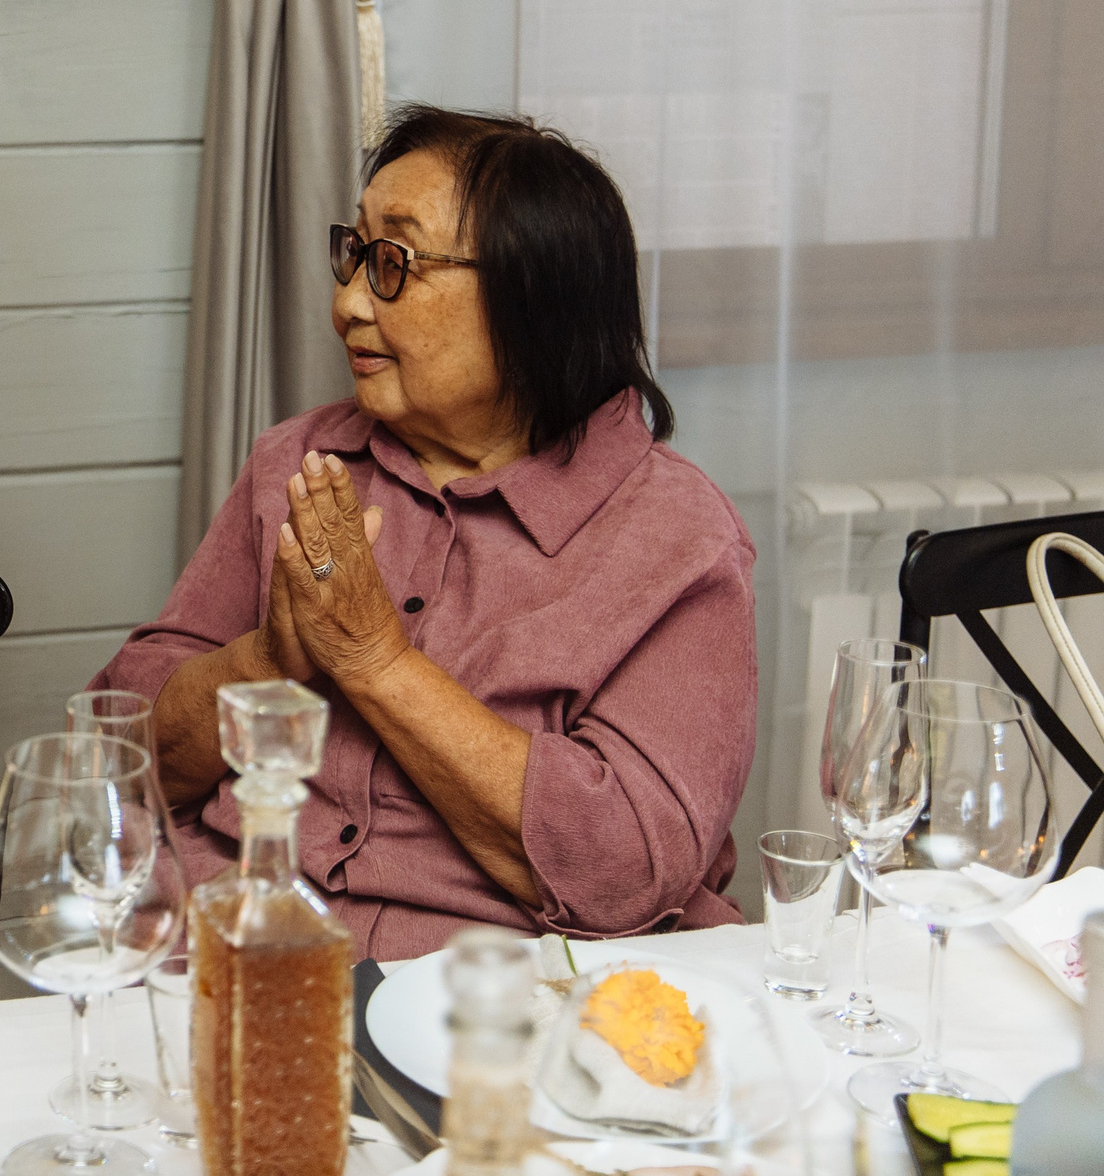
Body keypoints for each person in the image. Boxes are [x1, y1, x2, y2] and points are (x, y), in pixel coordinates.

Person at [94, 106, 756, 959]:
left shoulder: (676, 540)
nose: (346, 303)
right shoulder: (299, 461)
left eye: (394, 264)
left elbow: (625, 873)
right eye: (354, 254)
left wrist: (375, 661)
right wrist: (267, 661)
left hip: (498, 996)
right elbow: (116, 755)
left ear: (533, 298)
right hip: (229, 952)